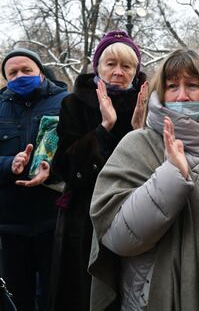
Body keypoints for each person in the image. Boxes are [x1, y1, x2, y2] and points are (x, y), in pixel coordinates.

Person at [88, 48, 199, 310]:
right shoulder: (139, 144)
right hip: (155, 297)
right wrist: (172, 176)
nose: (181, 95)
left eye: (193, 85)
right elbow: (118, 238)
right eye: (172, 86)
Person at [48, 30, 148, 311]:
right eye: (111, 64)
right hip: (84, 218)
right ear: (97, 66)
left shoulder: (149, 104)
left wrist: (137, 131)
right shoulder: (73, 104)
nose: (118, 72)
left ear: (135, 70)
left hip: (133, 212)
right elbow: (65, 169)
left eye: (126, 66)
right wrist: (103, 129)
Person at [0, 48, 69, 311]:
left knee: (55, 295)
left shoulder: (66, 101)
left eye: (26, 70)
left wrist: (52, 170)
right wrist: (10, 164)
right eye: (13, 73)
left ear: (40, 70)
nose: (20, 76)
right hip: (10, 224)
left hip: (55, 220)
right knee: (16, 298)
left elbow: (81, 154)